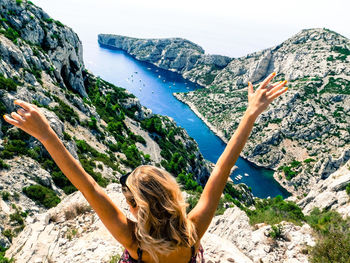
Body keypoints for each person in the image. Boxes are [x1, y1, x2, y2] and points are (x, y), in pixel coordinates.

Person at [3, 72, 288, 263]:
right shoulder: (192, 233)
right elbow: (221, 170)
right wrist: (251, 113)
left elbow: (86, 184)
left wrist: (46, 134)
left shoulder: (133, 240)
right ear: (173, 196)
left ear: (135, 207)